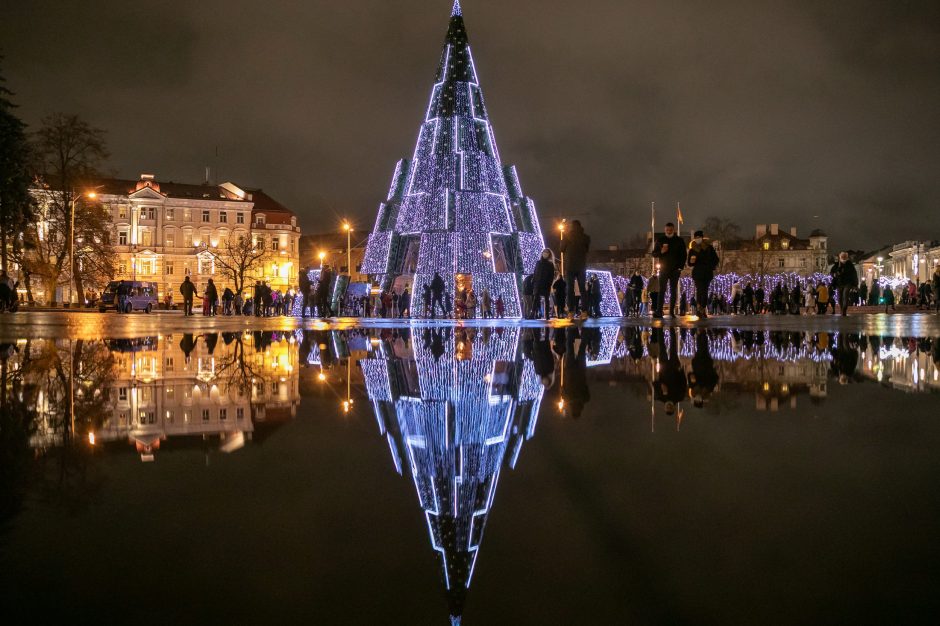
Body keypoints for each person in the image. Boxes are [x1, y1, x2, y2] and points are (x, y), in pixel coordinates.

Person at [651, 222, 687, 318]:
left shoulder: (679, 240)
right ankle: (659, 311)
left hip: (675, 269)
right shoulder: (660, 240)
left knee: (673, 290)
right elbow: (654, 254)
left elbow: (683, 255)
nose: (669, 231)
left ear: (673, 230)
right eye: (667, 230)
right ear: (665, 230)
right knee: (661, 290)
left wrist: (680, 267)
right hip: (664, 269)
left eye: (670, 230)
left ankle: (671, 311)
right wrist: (661, 251)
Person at [560, 220, 591, 319]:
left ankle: (571, 312)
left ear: (571, 227)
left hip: (570, 266)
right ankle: (584, 311)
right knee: (583, 289)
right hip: (581, 266)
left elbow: (561, 249)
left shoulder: (566, 237)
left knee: (570, 289)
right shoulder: (586, 237)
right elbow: (586, 250)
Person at [687, 230, 719, 319]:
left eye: (699, 237)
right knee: (700, 290)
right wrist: (692, 261)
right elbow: (689, 263)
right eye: (696, 238)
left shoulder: (709, 248)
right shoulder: (692, 249)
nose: (697, 239)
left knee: (704, 291)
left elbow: (716, 259)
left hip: (707, 273)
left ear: (702, 237)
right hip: (697, 273)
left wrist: (711, 266)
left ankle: (702, 309)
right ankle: (700, 309)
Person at [830, 252, 859, 316]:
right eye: (842, 257)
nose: (843, 258)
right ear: (840, 257)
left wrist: (855, 284)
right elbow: (832, 272)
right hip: (839, 283)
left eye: (844, 257)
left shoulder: (850, 265)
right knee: (839, 297)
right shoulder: (837, 265)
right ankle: (841, 309)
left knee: (845, 296)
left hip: (847, 283)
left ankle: (844, 310)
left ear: (846, 257)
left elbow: (854, 274)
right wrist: (834, 274)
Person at [531, 249, 555, 320]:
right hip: (537, 283)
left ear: (549, 255)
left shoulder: (550, 264)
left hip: (546, 284)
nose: (545, 254)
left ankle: (547, 315)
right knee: (535, 298)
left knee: (546, 299)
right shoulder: (538, 262)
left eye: (547, 253)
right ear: (542, 253)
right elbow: (535, 272)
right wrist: (534, 281)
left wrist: (549, 284)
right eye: (544, 252)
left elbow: (551, 275)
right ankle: (532, 314)